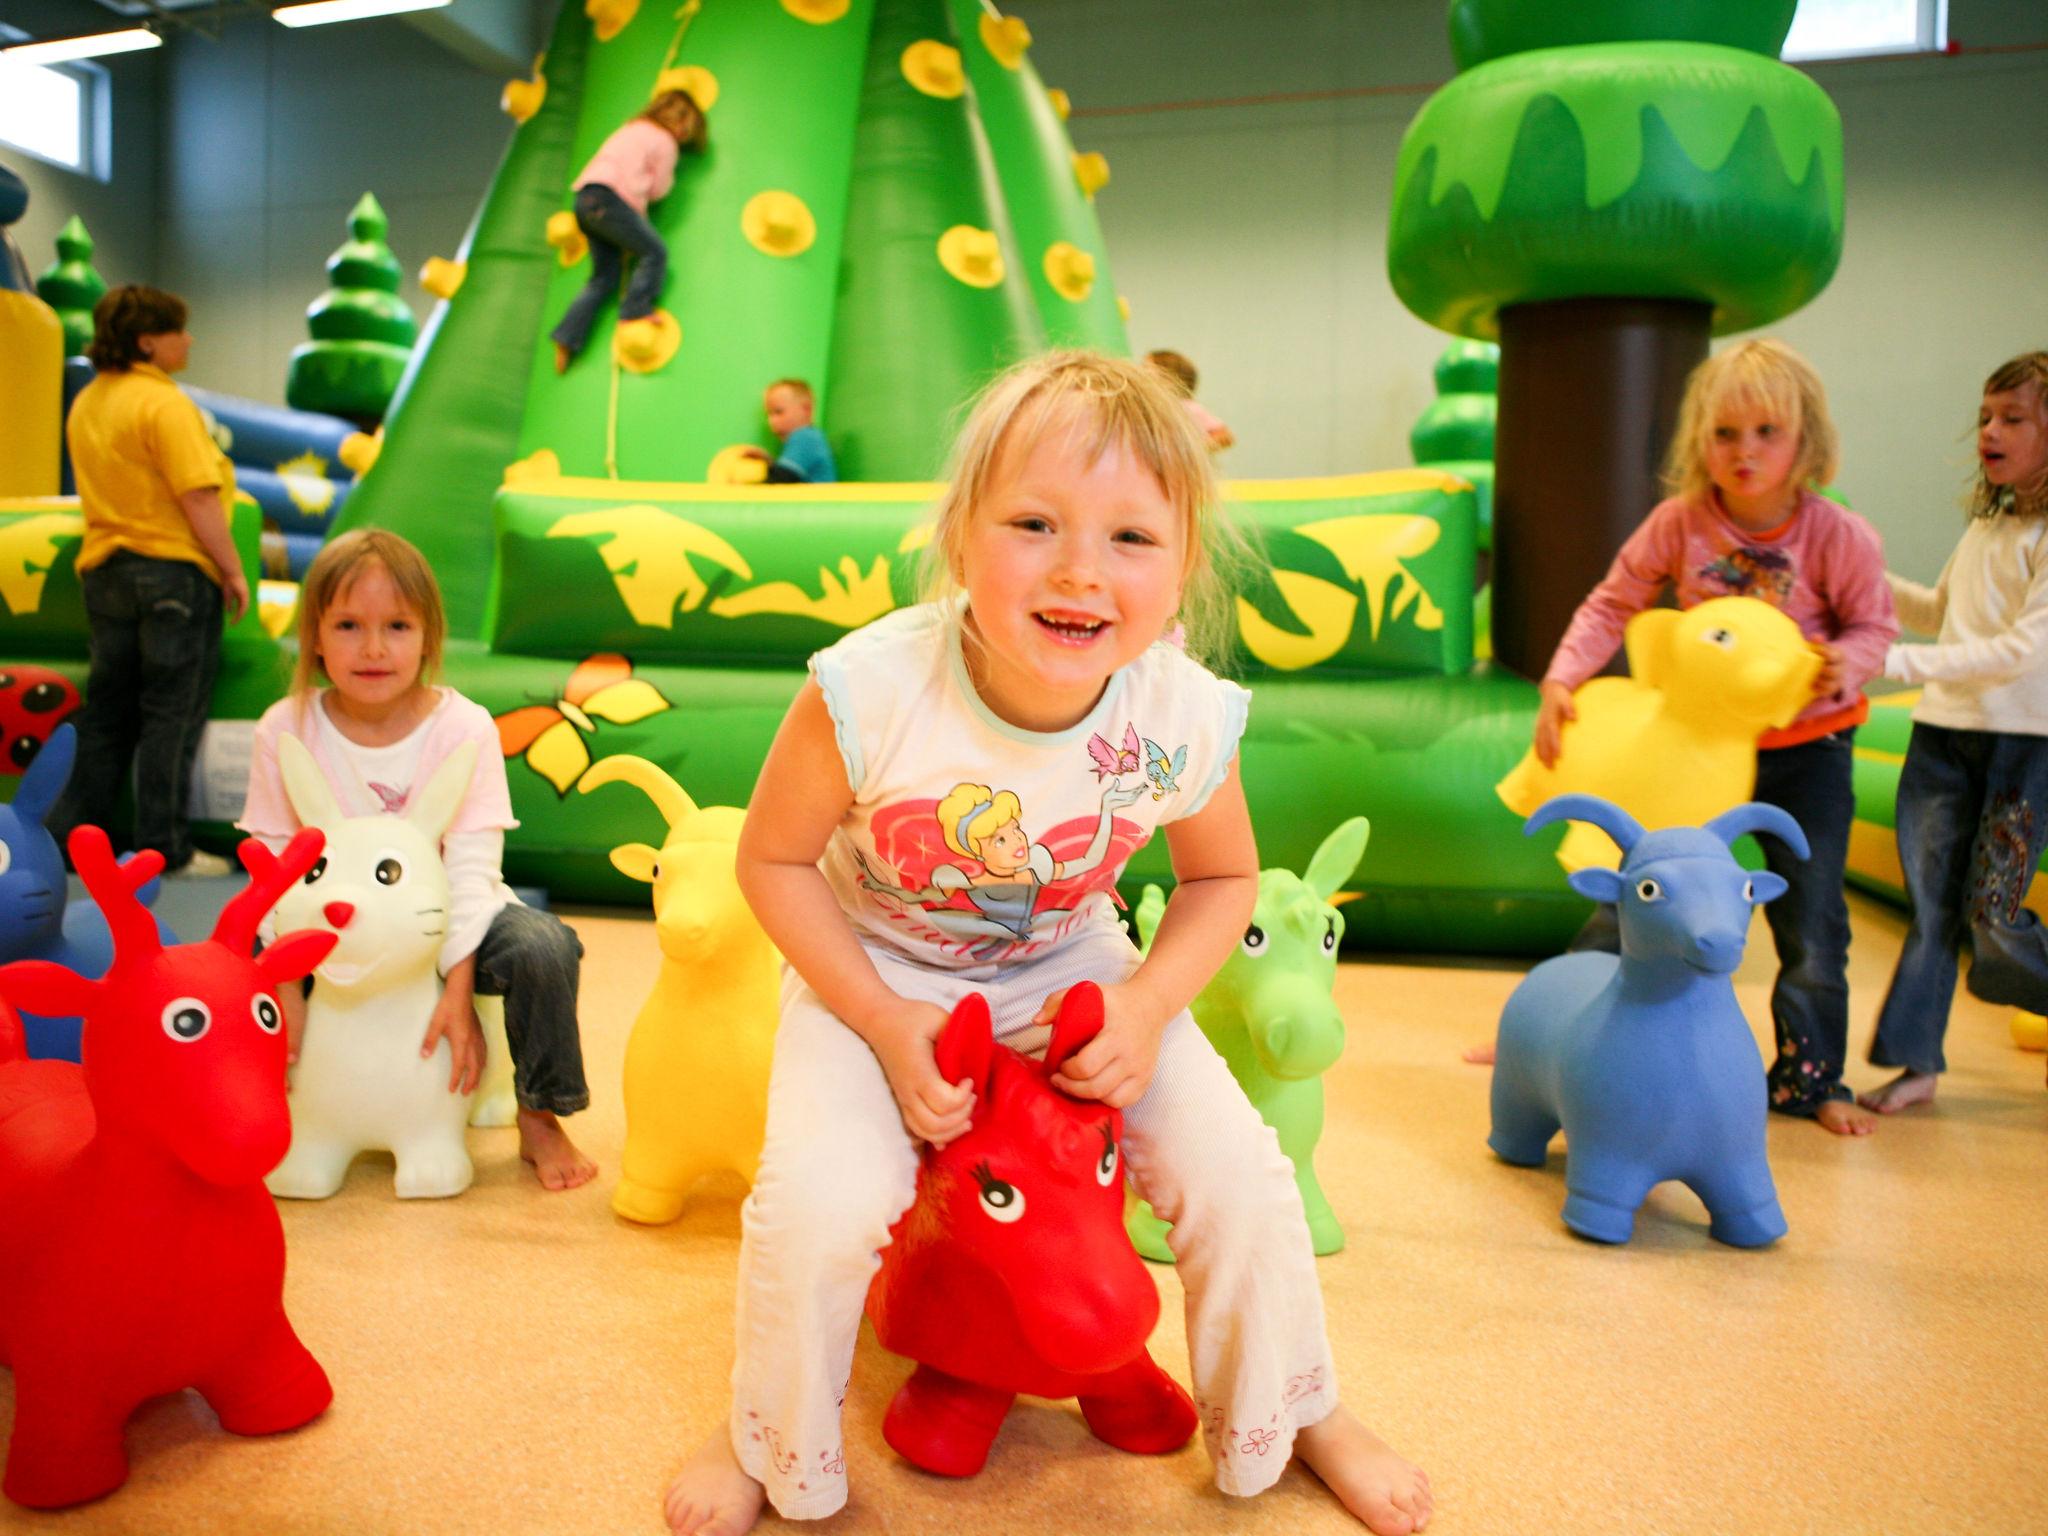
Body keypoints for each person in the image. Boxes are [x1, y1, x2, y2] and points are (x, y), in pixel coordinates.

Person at [664, 352, 1433, 1536]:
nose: (1080, 569)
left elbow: (1220, 878)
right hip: (875, 967)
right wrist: (873, 1015)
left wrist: (1143, 1008)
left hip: (1069, 965)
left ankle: (1298, 1407)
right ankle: (764, 1426)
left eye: (1131, 539)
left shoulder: (1176, 708)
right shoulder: (870, 688)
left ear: (1180, 573)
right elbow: (769, 861)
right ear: (962, 537)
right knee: (816, 1203)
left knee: (1240, 1176)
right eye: (1033, 523)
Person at [1530, 339, 1898, 1135]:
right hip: (1697, 755)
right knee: (1640, 884)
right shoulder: (1683, 522)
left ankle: (1810, 1077)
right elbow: (1611, 601)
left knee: (1813, 916)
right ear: (1701, 439)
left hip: (1808, 748)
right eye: (1726, 433)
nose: (1745, 451)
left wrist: (1845, 662)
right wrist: (1563, 679)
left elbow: (1876, 625)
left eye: (1767, 431)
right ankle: (1558, 1022)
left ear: (1806, 441)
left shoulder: (1836, 534)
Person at [236, 529, 598, 1191]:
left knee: (544, 949)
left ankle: (540, 1114)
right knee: (220, 962)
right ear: (314, 635)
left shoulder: (464, 727)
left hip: (449, 919)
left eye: (397, 626)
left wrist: (458, 989)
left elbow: (470, 869)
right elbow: (273, 869)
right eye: (348, 625)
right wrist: (285, 987)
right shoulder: (284, 727)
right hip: (328, 927)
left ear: (429, 637)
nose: (373, 649)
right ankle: (276, 1108)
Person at [1861, 351, 2048, 1112]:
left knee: (1993, 922)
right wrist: (1865, 580)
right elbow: (1943, 613)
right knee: (1931, 905)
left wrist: (1896, 661)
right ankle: (1917, 1064)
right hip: (1942, 736)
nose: (1989, 432)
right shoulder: (1990, 522)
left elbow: (2022, 650)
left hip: (2021, 747)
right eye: (1983, 418)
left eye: (2012, 418)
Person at [47, 285, 250, 878]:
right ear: (147, 341)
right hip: (171, 573)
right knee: (172, 712)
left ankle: (69, 839)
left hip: (106, 572)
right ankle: (164, 848)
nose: (187, 340)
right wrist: (232, 569)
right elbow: (197, 493)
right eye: (177, 330)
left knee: (107, 713)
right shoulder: (165, 405)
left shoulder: (88, 403)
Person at [550, 88, 707, 374]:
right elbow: (659, 188)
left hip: (586, 199)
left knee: (603, 278)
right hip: (611, 200)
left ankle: (567, 337)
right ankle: (636, 309)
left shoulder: (631, 128)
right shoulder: (665, 141)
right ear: (683, 125)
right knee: (654, 252)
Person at [740, 378, 838, 483]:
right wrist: (769, 462)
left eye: (779, 412)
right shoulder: (810, 438)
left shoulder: (805, 437)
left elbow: (781, 480)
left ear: (806, 410)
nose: (772, 421)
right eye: (768, 414)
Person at [1147, 348, 1235, 451]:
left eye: (1147, 368)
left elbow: (1225, 436)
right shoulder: (1151, 408)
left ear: (1169, 378)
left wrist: (1190, 451)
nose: (1140, 373)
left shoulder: (1187, 407)